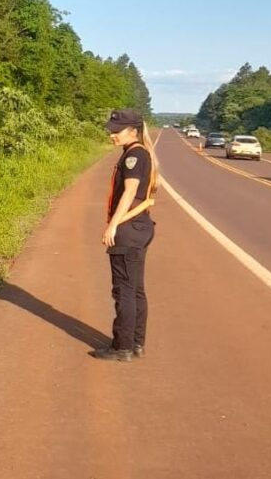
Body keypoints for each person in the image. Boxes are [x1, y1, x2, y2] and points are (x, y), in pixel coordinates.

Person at [92, 109, 157, 362]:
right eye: (111, 130)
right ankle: (137, 343)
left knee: (124, 291)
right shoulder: (140, 153)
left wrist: (113, 225)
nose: (112, 135)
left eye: (117, 131)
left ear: (133, 131)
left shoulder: (134, 155)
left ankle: (123, 347)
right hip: (140, 227)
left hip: (128, 229)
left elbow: (130, 192)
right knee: (136, 289)